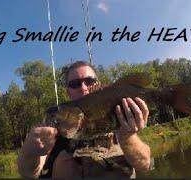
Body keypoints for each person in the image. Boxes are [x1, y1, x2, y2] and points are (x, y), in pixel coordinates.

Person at [17, 61, 151, 179]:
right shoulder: (57, 128)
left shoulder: (122, 119)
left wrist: (127, 137)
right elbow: (28, 173)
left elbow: (145, 164)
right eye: (75, 84)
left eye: (89, 81)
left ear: (98, 84)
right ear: (68, 92)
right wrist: (29, 150)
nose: (83, 87)